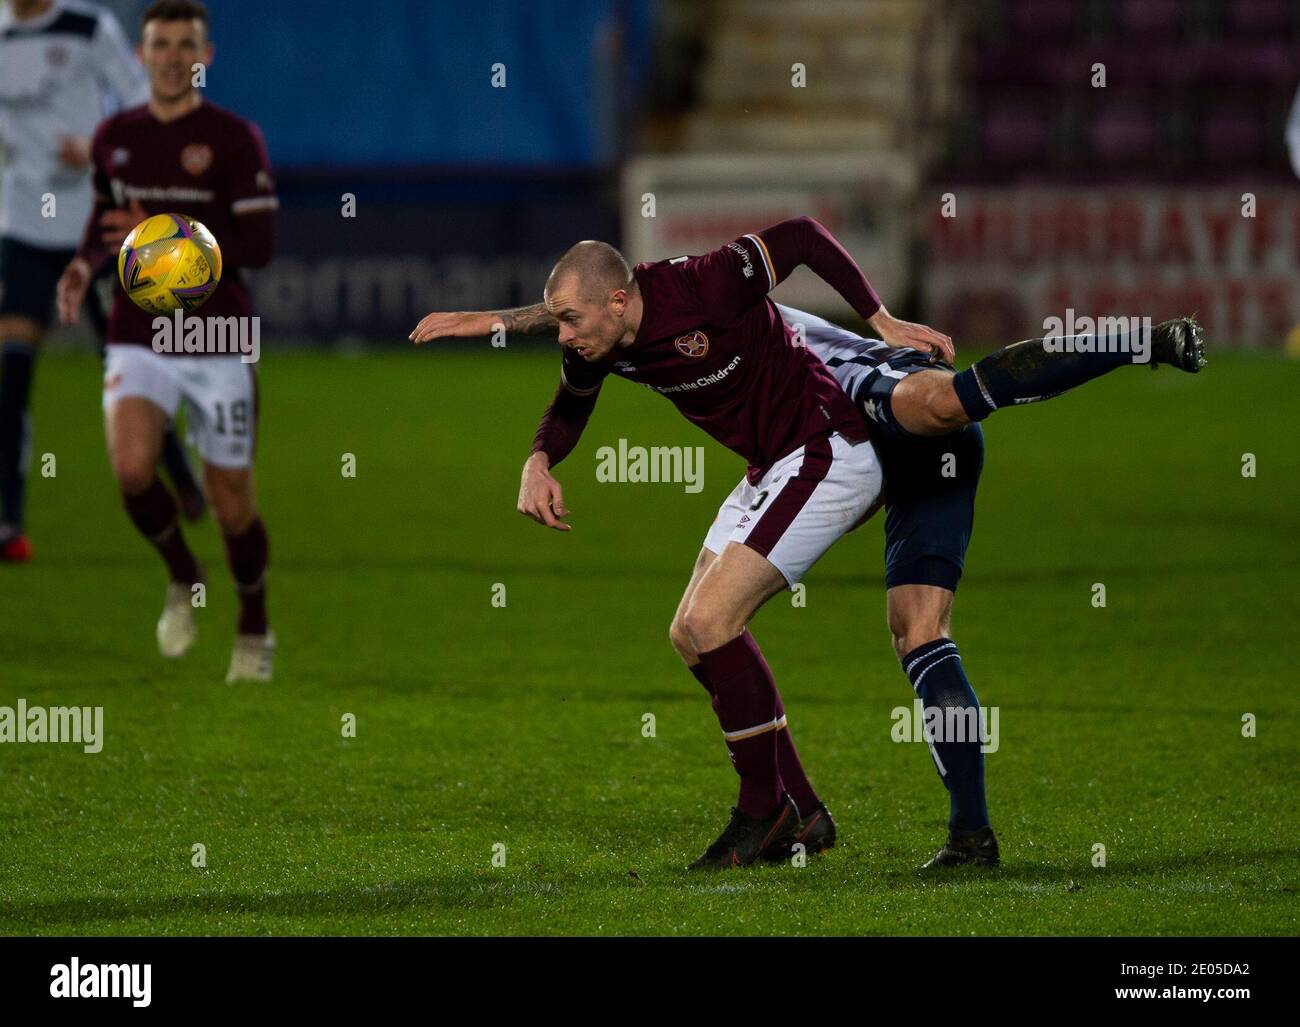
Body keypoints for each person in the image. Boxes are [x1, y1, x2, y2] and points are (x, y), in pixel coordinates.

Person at [410, 215, 1204, 868]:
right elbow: (577, 333)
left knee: (944, 420)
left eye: (574, 319)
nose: (567, 334)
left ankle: (825, 817)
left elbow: (794, 239)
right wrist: (502, 345)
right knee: (719, 631)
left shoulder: (721, 295)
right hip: (804, 446)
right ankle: (829, 817)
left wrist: (884, 317)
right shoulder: (635, 327)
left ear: (621, 301)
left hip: (863, 423)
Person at [55, 0, 278, 682]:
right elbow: (106, 222)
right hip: (138, 330)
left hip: (217, 331)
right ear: (140, 56)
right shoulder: (114, 136)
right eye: (161, 44)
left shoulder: (236, 138)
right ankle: (183, 574)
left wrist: (169, 231)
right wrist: (81, 266)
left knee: (231, 498)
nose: (174, 56)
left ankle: (253, 619)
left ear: (205, 56)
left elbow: (259, 246)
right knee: (130, 471)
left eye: (187, 44)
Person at [0, 0, 202, 562]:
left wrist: (96, 150)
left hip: (98, 222)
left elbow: (144, 107)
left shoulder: (89, 28)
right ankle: (9, 519)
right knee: (12, 370)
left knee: (128, 365)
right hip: (22, 224)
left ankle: (179, 472)